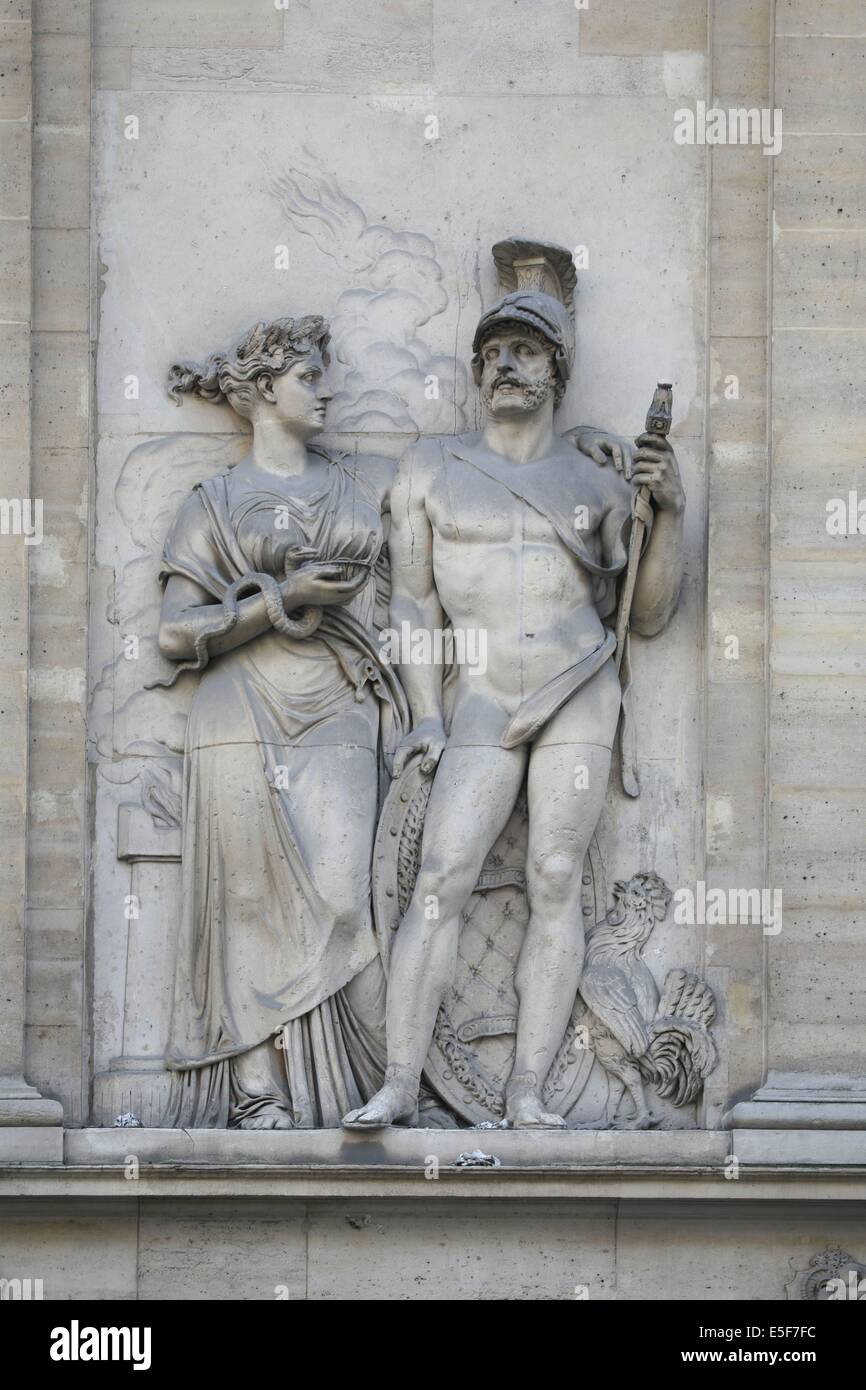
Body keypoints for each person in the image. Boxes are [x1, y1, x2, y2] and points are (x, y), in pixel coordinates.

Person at [344, 264, 685, 1129]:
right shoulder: (432, 469)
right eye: (492, 350)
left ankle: (528, 1090)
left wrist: (669, 514)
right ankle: (399, 1077)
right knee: (441, 877)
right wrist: (423, 713)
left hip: (577, 689)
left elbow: (648, 610)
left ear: (556, 372)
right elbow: (415, 601)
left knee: (555, 876)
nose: (504, 364)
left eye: (525, 350)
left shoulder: (602, 484)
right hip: (484, 696)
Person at [154, 315, 406, 1128]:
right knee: (249, 898)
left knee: (341, 898)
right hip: (237, 705)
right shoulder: (213, 504)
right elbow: (173, 632)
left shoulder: (357, 492)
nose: (325, 389)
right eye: (308, 376)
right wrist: (280, 599)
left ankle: (348, 1085)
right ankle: (260, 1090)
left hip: (339, 698)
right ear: (264, 390)